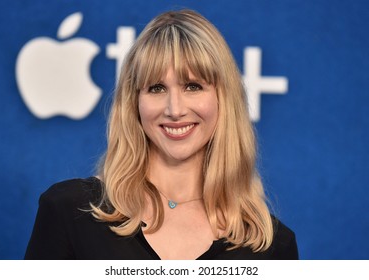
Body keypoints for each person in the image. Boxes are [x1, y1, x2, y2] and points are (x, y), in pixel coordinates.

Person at [24, 9, 298, 260]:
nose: (175, 109)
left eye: (192, 86)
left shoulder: (272, 245)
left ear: (223, 99)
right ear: (134, 103)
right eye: (156, 88)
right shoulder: (68, 211)